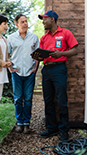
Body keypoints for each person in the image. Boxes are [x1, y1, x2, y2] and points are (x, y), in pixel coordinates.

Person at [31, 10, 79, 141]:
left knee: (61, 100)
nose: (43, 22)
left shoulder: (65, 33)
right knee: (48, 100)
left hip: (59, 69)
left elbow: (75, 50)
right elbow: (41, 56)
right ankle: (51, 128)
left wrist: (61, 54)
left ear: (52, 19)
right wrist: (37, 56)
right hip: (46, 70)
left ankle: (64, 130)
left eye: (45, 19)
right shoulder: (44, 38)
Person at [7, 14, 40, 134]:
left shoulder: (34, 37)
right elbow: (7, 54)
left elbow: (38, 55)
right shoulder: (11, 38)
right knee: (17, 99)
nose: (25, 24)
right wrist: (10, 68)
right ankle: (19, 123)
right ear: (16, 24)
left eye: (26, 21)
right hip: (17, 73)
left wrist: (35, 68)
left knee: (28, 99)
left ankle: (26, 124)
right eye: (22, 22)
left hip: (30, 73)